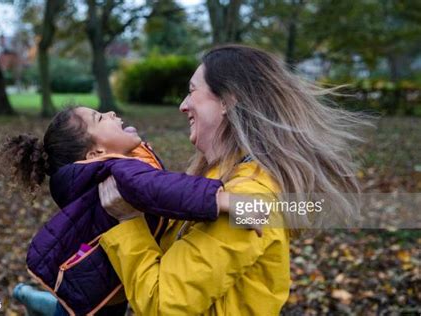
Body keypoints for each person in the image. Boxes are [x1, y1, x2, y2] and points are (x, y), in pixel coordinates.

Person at [97, 44, 370, 315]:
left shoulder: (245, 199)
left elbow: (164, 303)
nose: (183, 105)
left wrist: (129, 223)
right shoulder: (219, 177)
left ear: (228, 100)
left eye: (192, 91)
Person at [0, 106, 248, 314]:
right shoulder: (118, 171)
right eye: (99, 118)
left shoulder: (107, 169)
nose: (111, 113)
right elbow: (160, 188)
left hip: (105, 277)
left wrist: (274, 211)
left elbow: (278, 212)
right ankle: (38, 302)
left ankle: (39, 303)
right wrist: (225, 201)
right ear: (96, 153)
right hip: (100, 277)